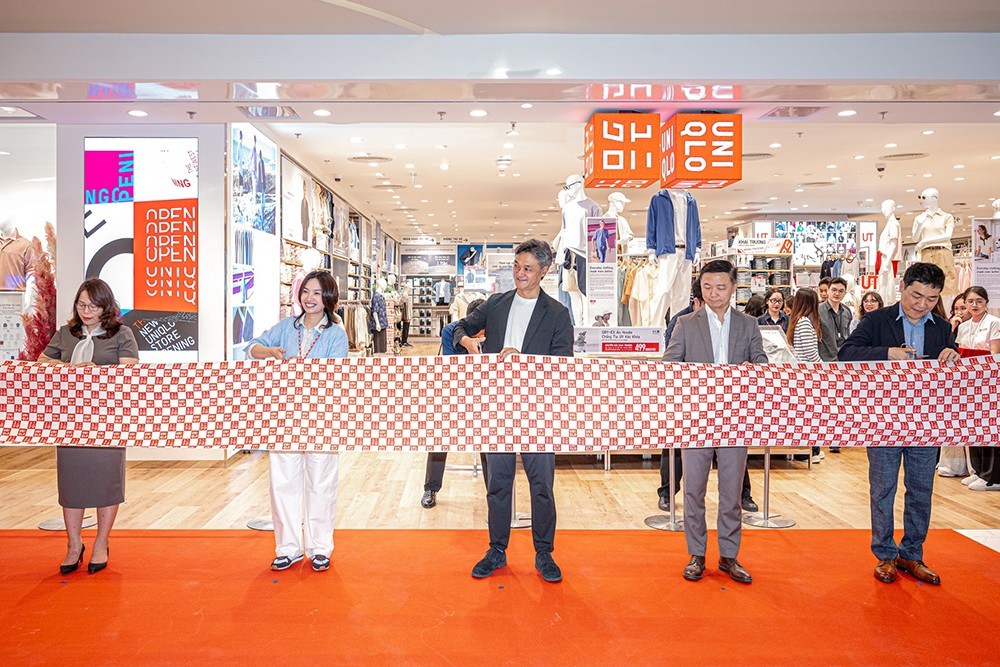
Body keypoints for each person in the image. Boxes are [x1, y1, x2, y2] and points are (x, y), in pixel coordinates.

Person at [454, 239, 573, 583]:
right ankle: (496, 549)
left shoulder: (557, 314)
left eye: (528, 269)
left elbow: (563, 363)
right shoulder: (496, 304)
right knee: (498, 483)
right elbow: (458, 328)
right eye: (517, 267)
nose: (520, 274)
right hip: (498, 408)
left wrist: (525, 361)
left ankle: (544, 552)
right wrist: (467, 341)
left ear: (544, 271)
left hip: (538, 411)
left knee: (542, 485)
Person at [840, 263, 960, 586]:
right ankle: (885, 555)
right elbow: (846, 353)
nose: (922, 304)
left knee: (921, 489)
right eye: (916, 295)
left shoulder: (941, 327)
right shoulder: (877, 320)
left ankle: (912, 554)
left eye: (931, 299)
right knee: (883, 488)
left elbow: (952, 359)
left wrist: (952, 354)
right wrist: (886, 353)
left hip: (926, 421)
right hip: (883, 419)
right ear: (903, 286)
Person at [664, 259, 768, 584]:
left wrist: (753, 370)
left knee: (731, 492)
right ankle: (696, 553)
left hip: (736, 419)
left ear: (734, 287)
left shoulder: (748, 324)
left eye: (721, 287)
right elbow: (669, 366)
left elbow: (761, 362)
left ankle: (729, 555)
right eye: (707, 287)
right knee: (693, 490)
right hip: (695, 419)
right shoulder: (685, 324)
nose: (714, 293)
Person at [247, 270, 349, 572]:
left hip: (321, 417)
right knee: (283, 482)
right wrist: (270, 351)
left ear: (328, 297)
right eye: (305, 291)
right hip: (284, 417)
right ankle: (287, 548)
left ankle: (320, 548)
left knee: (321, 482)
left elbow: (337, 376)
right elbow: (252, 348)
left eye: (317, 292)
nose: (309, 298)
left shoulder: (335, 334)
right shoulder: (285, 327)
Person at [38, 278, 139, 575]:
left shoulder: (122, 333)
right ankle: (73, 544)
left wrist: (98, 372)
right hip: (70, 419)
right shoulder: (65, 333)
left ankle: (101, 542)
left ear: (106, 307)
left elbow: (131, 372)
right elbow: (42, 362)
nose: (86, 311)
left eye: (93, 306)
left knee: (107, 483)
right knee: (71, 484)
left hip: (107, 419)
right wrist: (68, 369)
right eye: (81, 305)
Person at [421, 298, 489, 509]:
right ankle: (430, 488)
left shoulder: (493, 332)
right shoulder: (451, 331)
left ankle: (494, 492)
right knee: (439, 438)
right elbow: (453, 369)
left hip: (484, 393)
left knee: (489, 441)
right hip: (452, 392)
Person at [955, 286, 1000, 492]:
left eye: (979, 301)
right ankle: (978, 470)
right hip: (969, 382)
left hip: (988, 381)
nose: (974, 305)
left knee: (989, 426)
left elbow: (994, 354)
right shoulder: (963, 326)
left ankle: (992, 476)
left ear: (986, 303)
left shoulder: (994, 323)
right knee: (972, 425)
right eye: (970, 301)